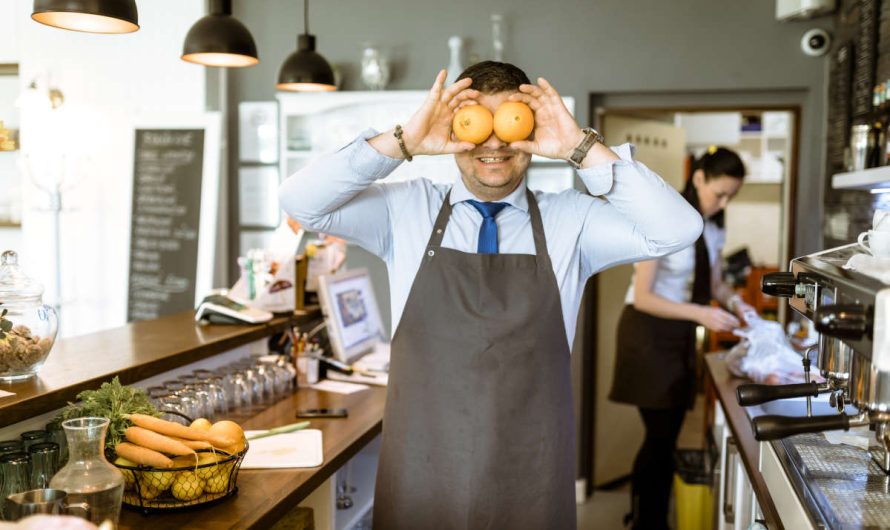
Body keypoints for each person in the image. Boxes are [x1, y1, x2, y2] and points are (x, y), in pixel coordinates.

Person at [279, 61, 703, 530]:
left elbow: (679, 229)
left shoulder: (573, 222)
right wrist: (404, 142)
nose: (495, 143)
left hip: (531, 479)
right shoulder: (406, 209)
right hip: (422, 476)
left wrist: (581, 148)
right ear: (455, 128)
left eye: (509, 122)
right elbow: (300, 202)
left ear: (532, 127)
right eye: (478, 123)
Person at [609, 146, 754, 530]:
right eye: (719, 192)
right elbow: (643, 297)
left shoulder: (715, 227)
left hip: (680, 335)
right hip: (648, 335)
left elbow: (718, 283)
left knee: (666, 435)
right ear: (699, 178)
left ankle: (650, 517)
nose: (723, 202)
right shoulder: (664, 219)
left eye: (731, 196)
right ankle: (647, 520)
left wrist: (742, 307)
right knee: (659, 438)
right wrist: (702, 314)